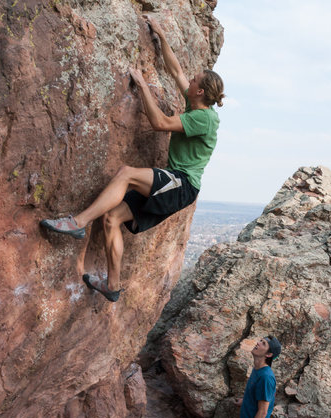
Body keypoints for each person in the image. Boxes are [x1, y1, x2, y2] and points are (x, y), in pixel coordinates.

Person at [40, 15, 224, 302]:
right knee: (112, 218)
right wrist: (161, 36)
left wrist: (142, 86)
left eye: (195, 80)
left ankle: (78, 222)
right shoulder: (196, 102)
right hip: (174, 185)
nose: (189, 80)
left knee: (126, 173)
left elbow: (161, 123)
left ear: (200, 92)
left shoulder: (204, 118)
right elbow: (176, 71)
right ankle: (112, 286)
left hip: (182, 184)